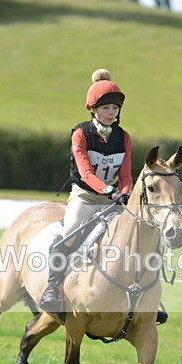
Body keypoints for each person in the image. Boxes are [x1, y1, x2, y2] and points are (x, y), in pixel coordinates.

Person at [38, 68, 133, 314]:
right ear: (93, 109)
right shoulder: (81, 133)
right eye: (106, 108)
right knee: (70, 233)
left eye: (115, 108)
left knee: (132, 238)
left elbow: (125, 174)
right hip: (85, 197)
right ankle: (53, 286)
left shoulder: (124, 137)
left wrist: (124, 192)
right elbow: (87, 174)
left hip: (113, 200)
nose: (111, 112)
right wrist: (111, 190)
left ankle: (138, 294)